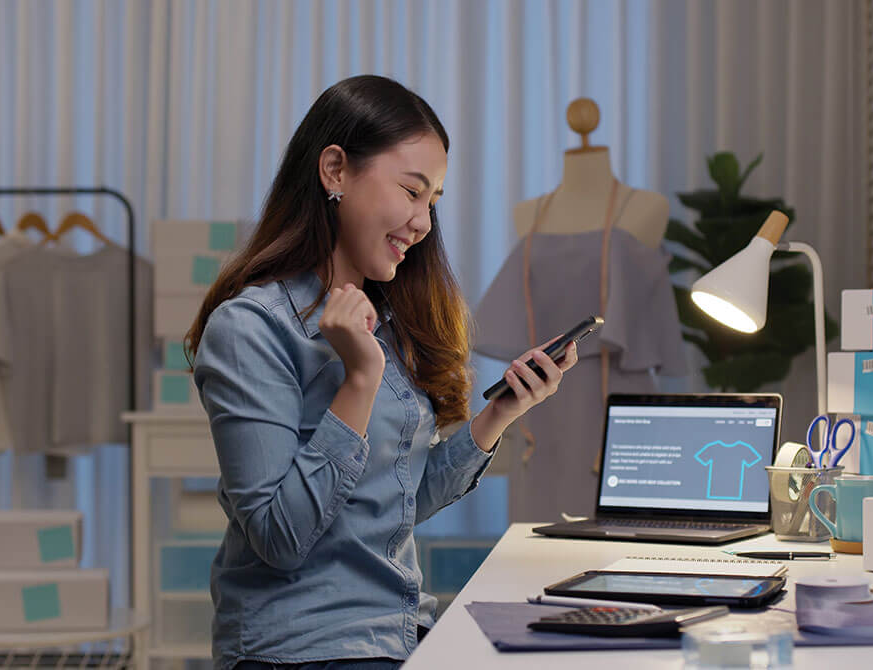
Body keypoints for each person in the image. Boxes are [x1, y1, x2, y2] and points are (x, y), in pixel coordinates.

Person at [184, 74, 578, 670]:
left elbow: (395, 502)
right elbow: (279, 539)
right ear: (335, 170)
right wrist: (359, 381)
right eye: (411, 191)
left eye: (434, 201)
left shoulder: (386, 321)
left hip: (398, 634)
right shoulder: (250, 329)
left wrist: (501, 413)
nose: (422, 223)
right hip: (301, 649)